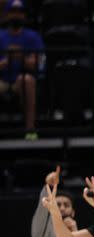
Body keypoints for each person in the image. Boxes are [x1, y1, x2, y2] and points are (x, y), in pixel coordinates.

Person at [0, 0, 42, 140]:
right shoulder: (0, 36)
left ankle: (30, 130)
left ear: (24, 16)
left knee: (27, 80)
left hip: (20, 81)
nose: (16, 16)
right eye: (13, 12)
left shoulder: (33, 36)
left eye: (19, 12)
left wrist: (20, 57)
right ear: (6, 16)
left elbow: (37, 64)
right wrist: (7, 60)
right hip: (3, 81)